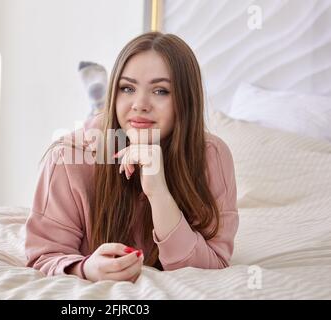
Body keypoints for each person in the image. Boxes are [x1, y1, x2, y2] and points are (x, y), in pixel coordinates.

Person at [25, 32, 239, 283]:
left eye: (160, 91)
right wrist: (84, 268)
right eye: (127, 88)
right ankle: (98, 105)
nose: (140, 104)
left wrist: (159, 193)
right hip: (103, 137)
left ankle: (99, 101)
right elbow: (43, 256)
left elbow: (213, 265)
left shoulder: (211, 156)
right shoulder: (69, 156)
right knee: (103, 129)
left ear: (186, 99)